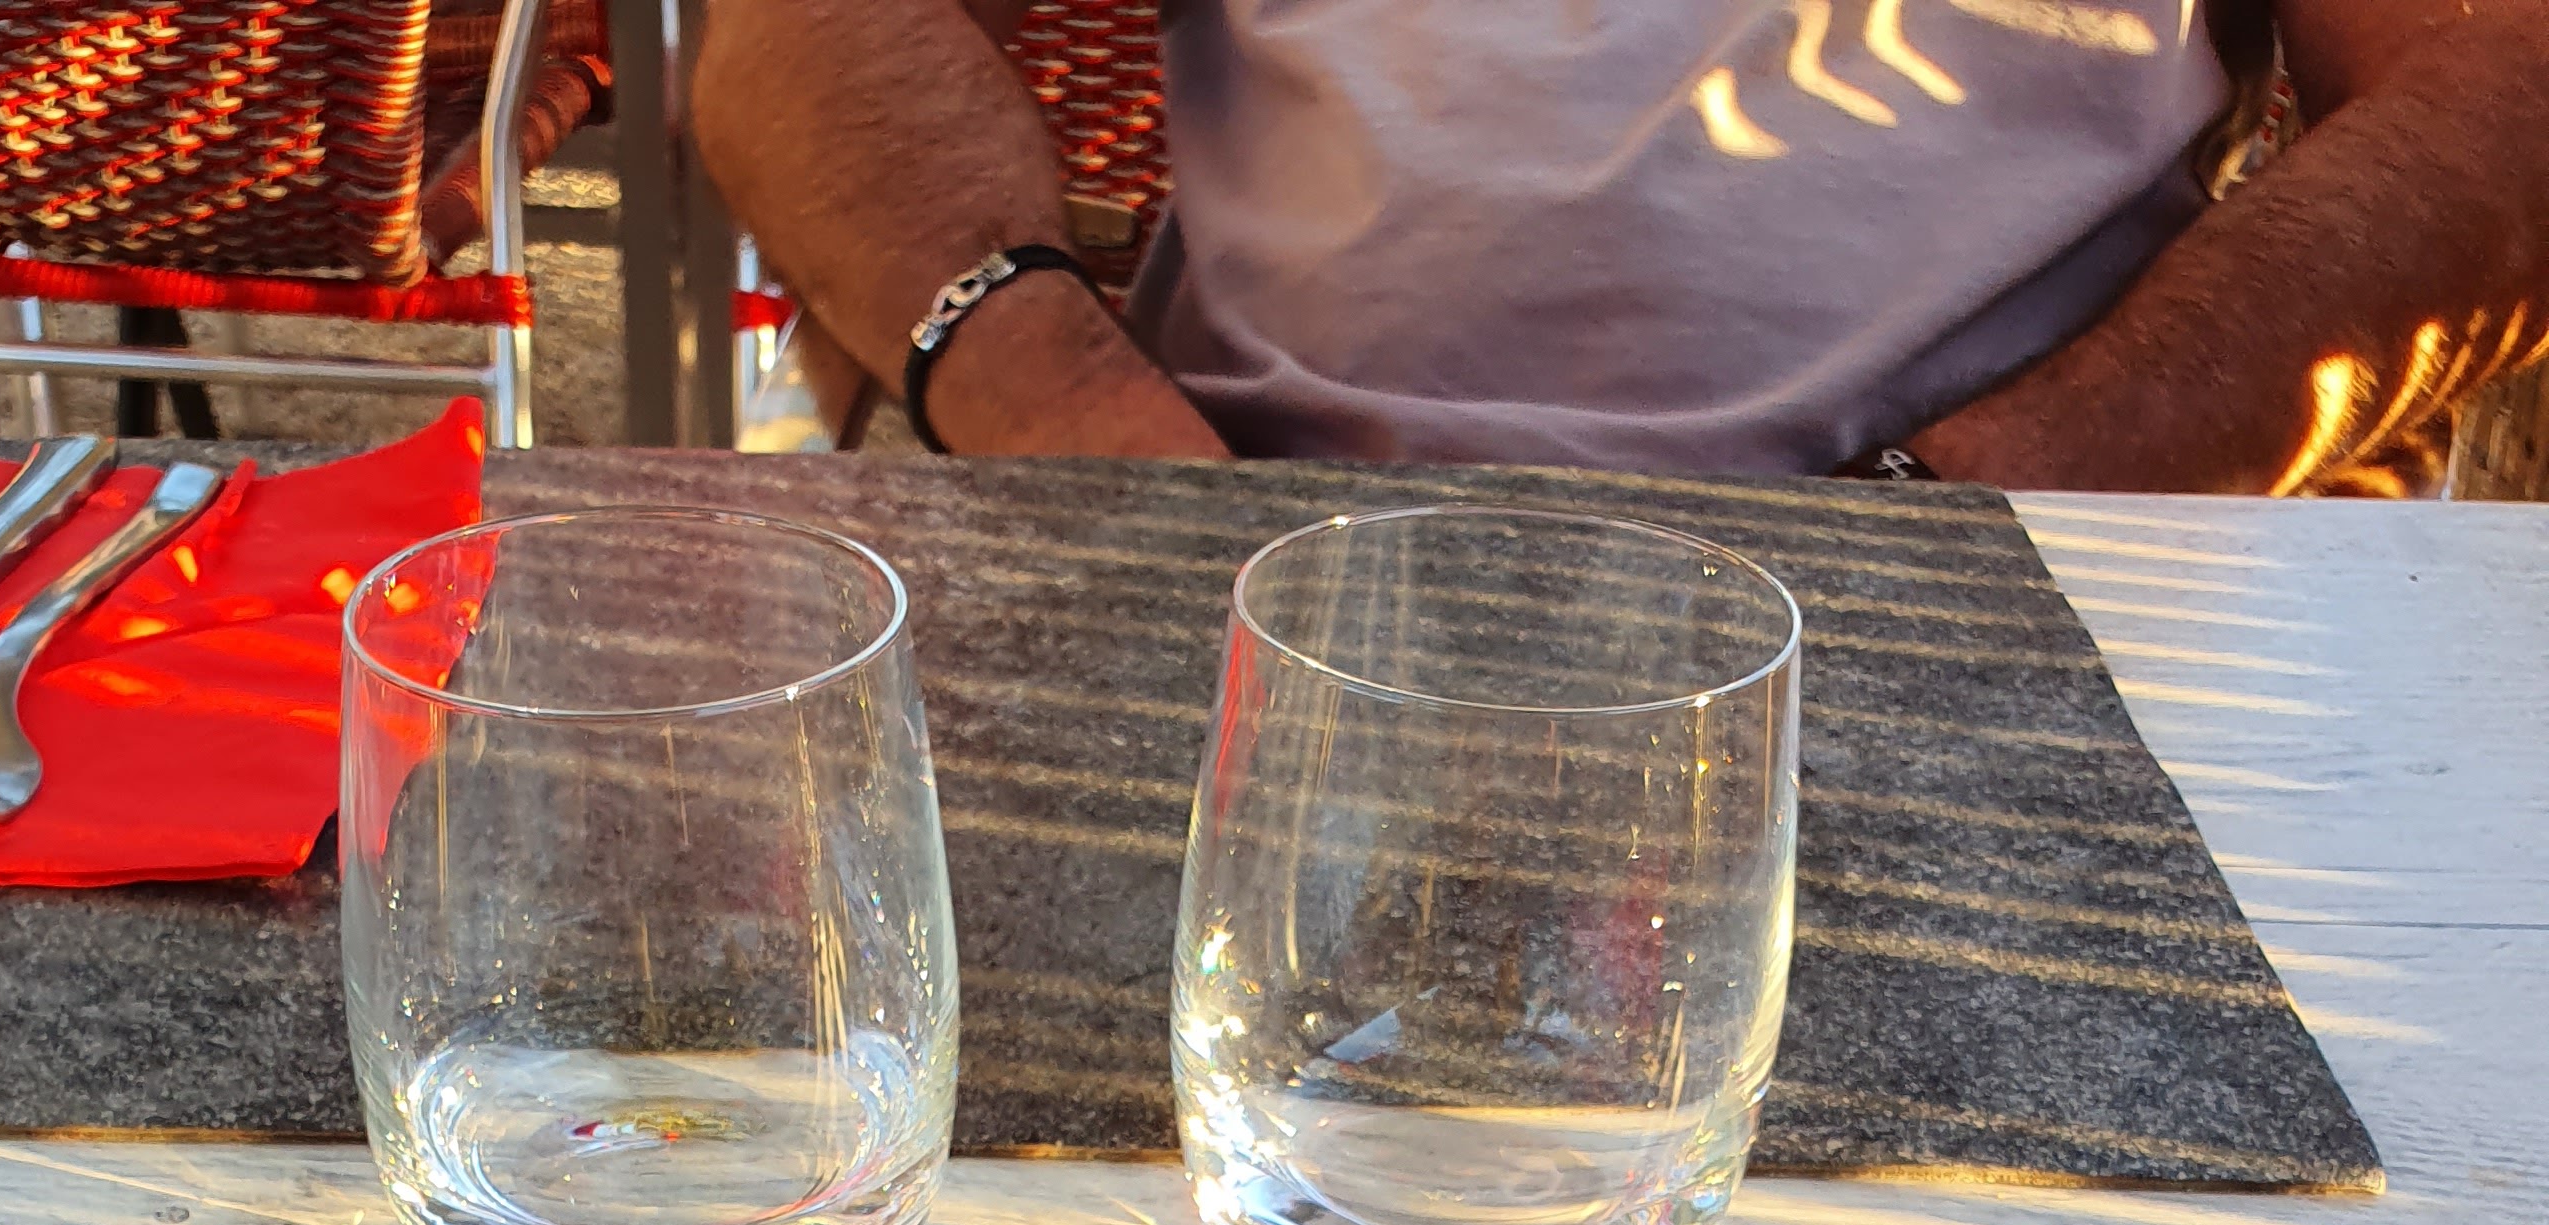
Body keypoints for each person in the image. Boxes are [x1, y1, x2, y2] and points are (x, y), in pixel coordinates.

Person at [690, 0, 2549, 490]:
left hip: (1983, 550)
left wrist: (2013, 498)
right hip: (1243, 517)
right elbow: (801, 36)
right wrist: (1088, 428)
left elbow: (2503, 100)